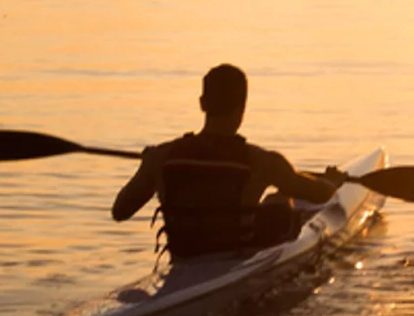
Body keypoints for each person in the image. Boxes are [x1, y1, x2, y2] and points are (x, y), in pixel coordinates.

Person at [111, 63, 345, 254]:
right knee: (281, 203)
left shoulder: (162, 157)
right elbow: (321, 194)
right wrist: (332, 182)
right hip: (234, 260)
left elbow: (120, 211)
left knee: (276, 199)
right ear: (242, 108)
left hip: (184, 259)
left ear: (202, 103)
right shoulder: (264, 162)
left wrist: (147, 166)